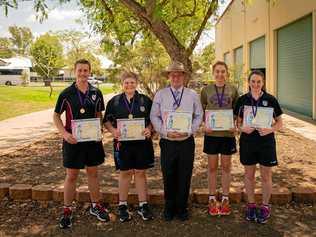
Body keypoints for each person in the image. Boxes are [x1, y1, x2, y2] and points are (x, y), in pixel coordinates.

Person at [53, 59, 109, 229]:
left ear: (90, 72)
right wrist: (64, 134)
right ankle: (67, 210)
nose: (83, 73)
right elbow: (56, 116)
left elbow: (99, 113)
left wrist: (99, 131)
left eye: (86, 70)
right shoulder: (66, 93)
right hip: (73, 141)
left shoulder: (96, 92)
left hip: (92, 141)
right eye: (80, 70)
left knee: (93, 174)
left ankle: (96, 206)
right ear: (74, 71)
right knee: (72, 176)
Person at [150, 61, 203, 221]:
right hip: (168, 141)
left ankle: (182, 208)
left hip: (186, 141)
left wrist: (190, 130)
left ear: (183, 76)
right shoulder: (161, 94)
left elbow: (199, 115)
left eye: (179, 74)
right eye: (172, 74)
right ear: (168, 76)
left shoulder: (192, 94)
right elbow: (154, 115)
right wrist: (165, 132)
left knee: (185, 174)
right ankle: (169, 207)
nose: (175, 77)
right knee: (168, 173)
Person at [103, 71, 154, 222]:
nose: (129, 85)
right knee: (125, 173)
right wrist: (113, 131)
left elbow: (153, 119)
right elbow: (106, 120)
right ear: (122, 84)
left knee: (140, 173)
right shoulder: (115, 101)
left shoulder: (145, 100)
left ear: (136, 83)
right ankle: (122, 205)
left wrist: (149, 129)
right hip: (122, 144)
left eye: (132, 82)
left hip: (142, 144)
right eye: (126, 82)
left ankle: (143, 205)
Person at [233, 70, 283, 224]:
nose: (255, 85)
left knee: (266, 176)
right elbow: (237, 122)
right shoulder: (242, 100)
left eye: (258, 82)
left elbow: (280, 123)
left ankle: (265, 206)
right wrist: (242, 129)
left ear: (263, 83)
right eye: (253, 81)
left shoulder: (271, 100)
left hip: (266, 143)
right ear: (249, 82)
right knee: (249, 176)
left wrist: (271, 129)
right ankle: (251, 205)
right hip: (248, 143)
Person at [200, 61, 239, 216]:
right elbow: (202, 110)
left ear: (227, 73)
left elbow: (237, 110)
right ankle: (211, 198)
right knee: (212, 168)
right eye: (217, 71)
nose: (220, 74)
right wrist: (205, 124)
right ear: (213, 73)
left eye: (223, 71)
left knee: (226, 167)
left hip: (227, 135)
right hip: (211, 135)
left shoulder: (233, 90)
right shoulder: (206, 90)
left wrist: (234, 124)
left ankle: (225, 198)